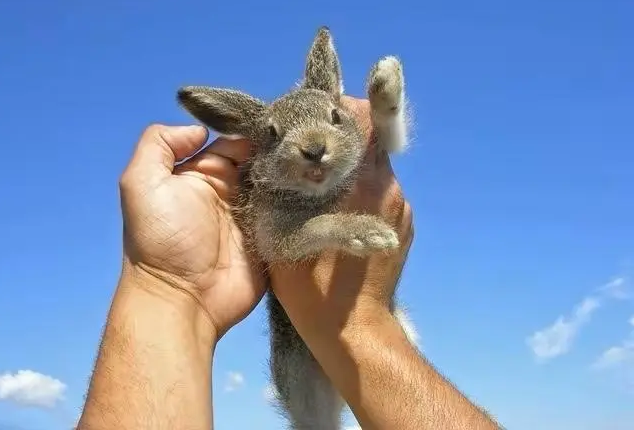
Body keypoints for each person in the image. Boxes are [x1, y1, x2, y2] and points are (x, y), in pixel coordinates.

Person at [76, 95, 501, 430]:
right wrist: (169, 282)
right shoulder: (265, 200)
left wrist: (165, 288)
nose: (314, 145)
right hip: (292, 338)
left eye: (333, 120)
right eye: (276, 136)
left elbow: (384, 138)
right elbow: (281, 239)